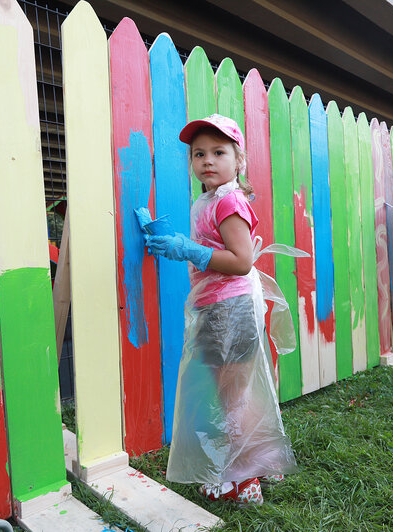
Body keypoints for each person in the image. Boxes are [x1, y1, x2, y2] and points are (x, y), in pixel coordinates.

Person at [143, 114, 296, 505]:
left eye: (218, 151)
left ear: (238, 160)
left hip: (229, 309)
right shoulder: (208, 200)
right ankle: (261, 463)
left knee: (233, 398)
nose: (207, 160)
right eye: (198, 154)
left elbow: (242, 260)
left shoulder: (228, 200)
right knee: (235, 393)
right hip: (218, 307)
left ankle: (244, 483)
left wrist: (188, 249)